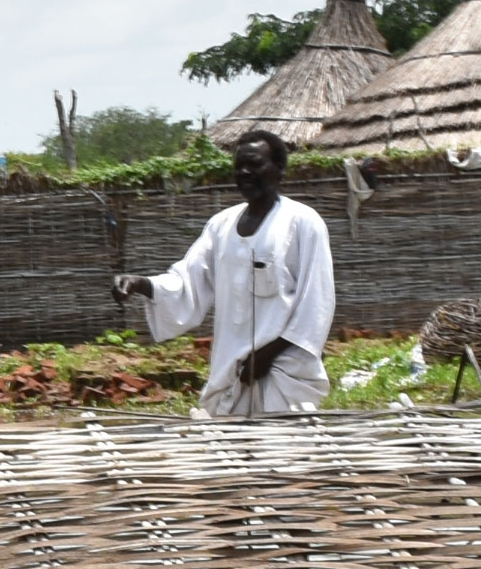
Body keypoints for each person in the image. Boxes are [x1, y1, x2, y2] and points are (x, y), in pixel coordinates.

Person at [113, 127, 334, 417]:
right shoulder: (221, 226)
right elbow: (189, 281)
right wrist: (141, 284)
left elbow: (315, 303)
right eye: (239, 166)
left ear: (279, 169)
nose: (244, 172)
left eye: (255, 165)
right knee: (231, 457)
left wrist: (267, 355)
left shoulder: (303, 223)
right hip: (232, 371)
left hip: (283, 373)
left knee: (282, 457)